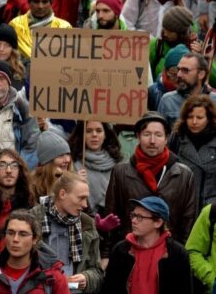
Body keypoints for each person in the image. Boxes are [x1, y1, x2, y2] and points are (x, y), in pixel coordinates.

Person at [30, 172, 103, 294]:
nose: (86, 204)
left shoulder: (87, 224)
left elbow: (97, 271)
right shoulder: (31, 221)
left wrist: (86, 278)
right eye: (81, 198)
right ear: (62, 194)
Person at [105, 111, 197, 246]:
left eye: (158, 135)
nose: (152, 141)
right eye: (147, 134)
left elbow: (188, 221)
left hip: (168, 253)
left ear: (166, 138)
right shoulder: (121, 172)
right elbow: (111, 216)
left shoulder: (184, 174)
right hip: (129, 250)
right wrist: (107, 253)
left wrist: (181, 255)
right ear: (138, 136)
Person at [169, 94, 216, 208]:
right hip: (182, 205)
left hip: (210, 208)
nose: (194, 122)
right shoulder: (177, 138)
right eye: (190, 117)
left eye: (199, 118)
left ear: (209, 119)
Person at [68, 122, 123, 216]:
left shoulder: (118, 163)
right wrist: (74, 182)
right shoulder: (72, 163)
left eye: (99, 130)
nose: (94, 135)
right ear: (82, 135)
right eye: (88, 131)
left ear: (105, 134)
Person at [8, 0, 72, 60]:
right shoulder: (15, 25)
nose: (40, 6)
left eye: (45, 2)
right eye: (36, 1)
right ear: (29, 3)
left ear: (51, 3)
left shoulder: (64, 27)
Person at [158, 53, 216, 125]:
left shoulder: (214, 100)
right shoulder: (168, 100)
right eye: (178, 69)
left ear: (201, 74)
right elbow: (160, 132)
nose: (179, 75)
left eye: (185, 70)